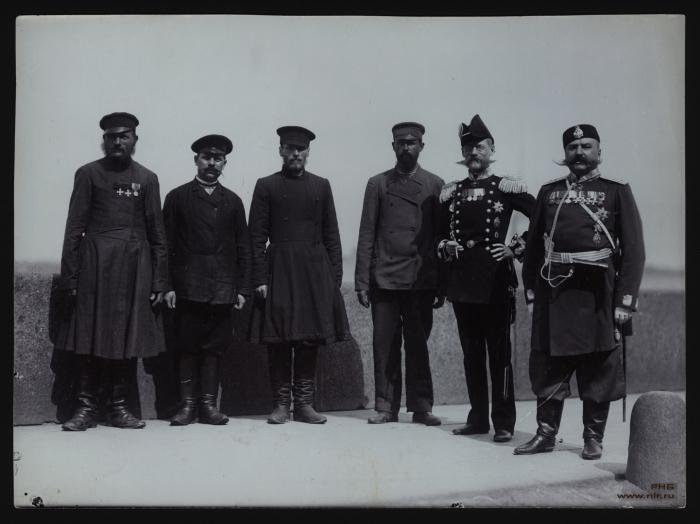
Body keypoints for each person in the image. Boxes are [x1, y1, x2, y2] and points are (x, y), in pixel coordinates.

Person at [514, 124, 645, 459]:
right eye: (573, 147)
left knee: (598, 366)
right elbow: (533, 249)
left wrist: (625, 301)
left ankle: (592, 437)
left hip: (598, 293)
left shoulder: (616, 191)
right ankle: (546, 434)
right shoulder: (549, 192)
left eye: (587, 146)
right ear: (565, 153)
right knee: (548, 365)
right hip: (555, 292)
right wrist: (531, 292)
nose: (579, 153)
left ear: (599, 152)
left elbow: (634, 251)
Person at [58, 112, 168, 431]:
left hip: (134, 270)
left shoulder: (147, 178)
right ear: (104, 140)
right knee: (88, 336)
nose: (118, 142)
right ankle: (85, 408)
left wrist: (159, 280)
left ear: (135, 140)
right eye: (112, 136)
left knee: (127, 337)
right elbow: (74, 229)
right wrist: (71, 278)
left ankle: (119, 408)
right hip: (94, 269)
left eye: (124, 136)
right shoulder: (88, 174)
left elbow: (158, 234)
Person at [437, 114, 535, 443]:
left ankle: (504, 422)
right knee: (472, 355)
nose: (473, 152)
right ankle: (478, 419)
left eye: (479, 146)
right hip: (462, 284)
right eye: (467, 147)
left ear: (491, 149)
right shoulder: (453, 192)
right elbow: (435, 232)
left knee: (500, 355)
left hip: (495, 282)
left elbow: (543, 217)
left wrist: (516, 248)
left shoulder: (505, 187)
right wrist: (444, 244)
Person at [248, 125, 350, 425]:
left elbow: (332, 235)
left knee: (308, 339)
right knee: (279, 338)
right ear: (280, 150)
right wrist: (259, 278)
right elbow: (256, 237)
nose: (295, 154)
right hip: (279, 270)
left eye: (300, 149)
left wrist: (333, 279)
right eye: (290, 148)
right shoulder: (266, 185)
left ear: (308, 152)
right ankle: (281, 404)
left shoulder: (321, 186)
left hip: (314, 273)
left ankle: (304, 404)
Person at [355, 122, 445, 426]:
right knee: (385, 346)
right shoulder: (377, 184)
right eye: (401, 143)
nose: (406, 147)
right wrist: (362, 281)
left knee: (418, 344)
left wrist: (441, 284)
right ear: (393, 146)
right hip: (385, 279)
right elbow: (367, 233)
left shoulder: (435, 185)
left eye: (412, 142)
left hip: (420, 279)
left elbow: (440, 237)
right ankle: (385, 406)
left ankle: (422, 407)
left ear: (422, 146)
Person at [162, 134, 252, 426]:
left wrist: (242, 289)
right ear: (196, 160)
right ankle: (187, 406)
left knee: (214, 347)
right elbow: (165, 246)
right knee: (186, 346)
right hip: (188, 288)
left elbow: (244, 248)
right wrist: (167, 286)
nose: (212, 163)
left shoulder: (233, 201)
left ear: (225, 163)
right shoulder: (177, 197)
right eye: (206, 157)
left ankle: (209, 406)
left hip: (222, 289)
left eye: (218, 158)